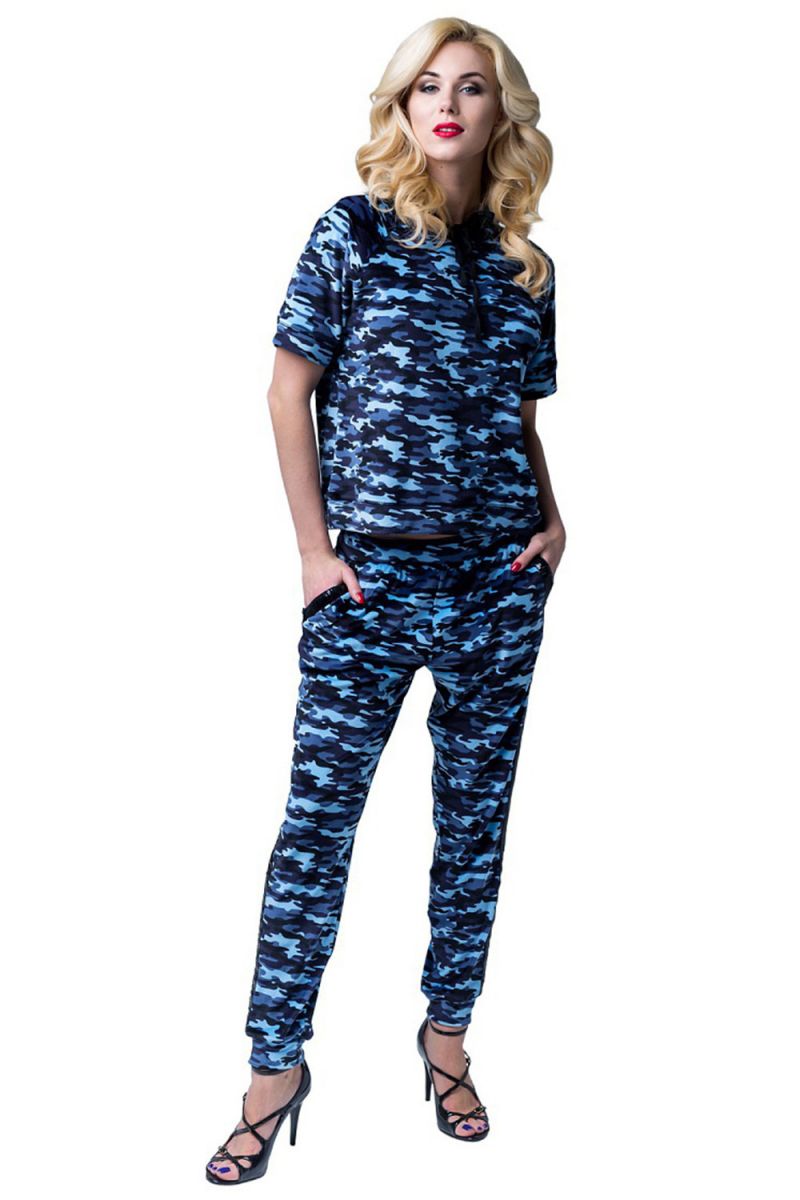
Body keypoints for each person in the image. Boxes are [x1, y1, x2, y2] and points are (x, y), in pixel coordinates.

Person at [206, 16, 566, 1184]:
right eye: (426, 87)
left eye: (471, 88)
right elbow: (286, 392)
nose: (446, 105)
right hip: (369, 584)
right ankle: (272, 1072)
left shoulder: (526, 268)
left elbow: (518, 418)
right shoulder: (350, 232)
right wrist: (314, 553)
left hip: (497, 586)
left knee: (472, 829)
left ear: (501, 111)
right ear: (402, 106)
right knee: (315, 834)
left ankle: (445, 1042)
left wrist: (552, 520)